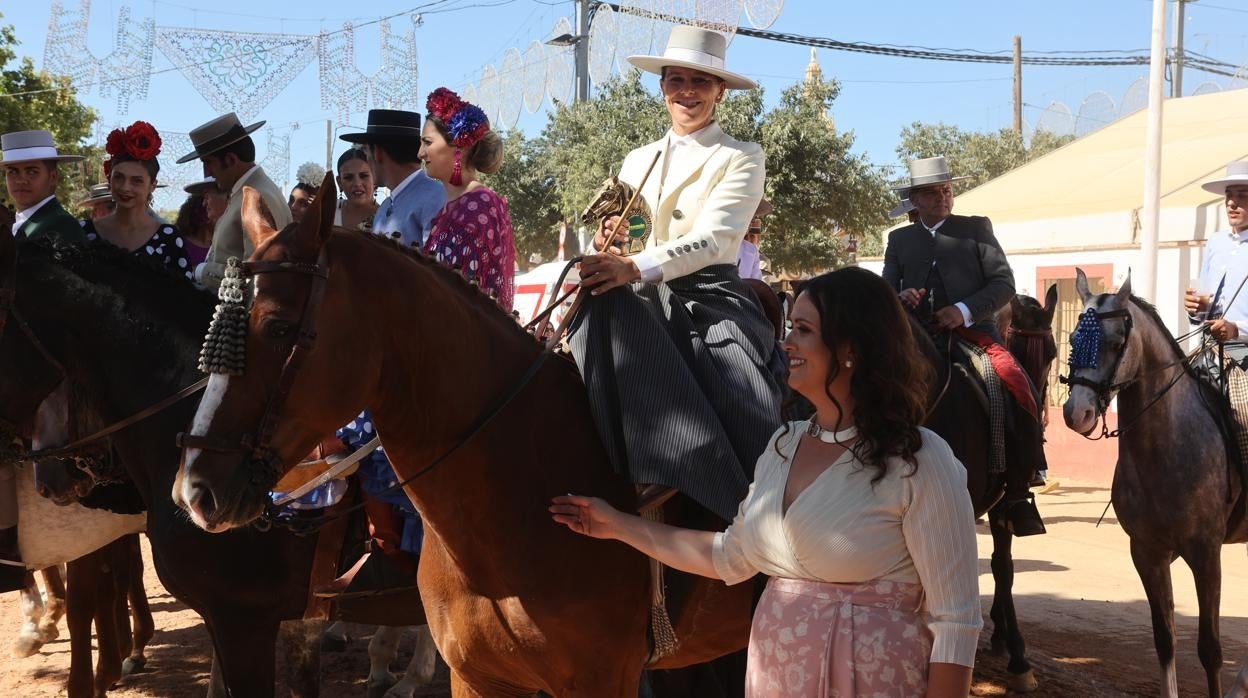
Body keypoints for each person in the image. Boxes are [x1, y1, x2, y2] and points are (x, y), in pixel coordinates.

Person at [552, 267, 982, 697]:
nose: (786, 343)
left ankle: (1017, 474)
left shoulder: (919, 460)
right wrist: (615, 525)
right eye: (790, 326)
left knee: (1003, 376)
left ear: (851, 348)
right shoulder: (784, 445)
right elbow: (730, 557)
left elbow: (956, 621)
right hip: (775, 681)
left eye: (804, 330)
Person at [570, 25, 786, 523]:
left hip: (708, 298)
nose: (686, 91)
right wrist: (606, 245)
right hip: (633, 291)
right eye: (676, 80)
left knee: (746, 400)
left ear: (719, 91)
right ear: (662, 87)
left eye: (700, 82)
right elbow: (621, 230)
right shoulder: (637, 158)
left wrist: (633, 265)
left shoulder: (742, 156)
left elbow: (714, 238)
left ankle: (760, 516)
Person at [883, 155, 1045, 536]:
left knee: (1015, 380)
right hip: (914, 334)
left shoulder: (976, 229)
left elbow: (1003, 282)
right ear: (915, 200)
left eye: (947, 190)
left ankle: (1020, 485)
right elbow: (884, 289)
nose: (943, 197)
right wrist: (900, 296)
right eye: (933, 192)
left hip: (972, 331)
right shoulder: (899, 239)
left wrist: (963, 309)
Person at [0, 129, 91, 591]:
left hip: (49, 364)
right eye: (13, 171)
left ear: (53, 176)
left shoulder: (58, 228)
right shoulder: (19, 226)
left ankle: (8, 553)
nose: (20, 180)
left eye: (31, 171)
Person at [420, 87, 515, 309]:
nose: (420, 153)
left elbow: (468, 295)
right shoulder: (454, 206)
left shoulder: (478, 204)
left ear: (458, 148)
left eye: (427, 142)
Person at [178, 112, 291, 291]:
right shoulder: (248, 191)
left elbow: (257, 274)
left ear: (231, 160)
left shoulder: (256, 195)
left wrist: (203, 271)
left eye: (208, 162)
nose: (207, 172)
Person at [82, 121, 193, 280]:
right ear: (109, 180)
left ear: (152, 186)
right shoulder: (84, 231)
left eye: (137, 181)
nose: (125, 187)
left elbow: (186, 297)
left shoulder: (168, 238)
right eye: (119, 178)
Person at [340, 109, 445, 248]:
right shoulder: (385, 207)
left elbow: (441, 267)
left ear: (377, 153)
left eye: (365, 151)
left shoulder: (436, 198)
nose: (366, 158)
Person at [1185, 161, 1248, 347]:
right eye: (1228, 196)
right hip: (1209, 350)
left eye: (1242, 196)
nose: (1231, 203)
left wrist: (1236, 328)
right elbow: (1201, 310)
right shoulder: (1216, 241)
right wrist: (1194, 308)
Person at [333, 148, 377, 232]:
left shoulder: (385, 217)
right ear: (339, 182)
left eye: (364, 176)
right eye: (348, 177)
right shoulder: (328, 211)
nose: (357, 183)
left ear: (375, 177)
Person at [736, 198, 772, 281]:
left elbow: (757, 284)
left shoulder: (752, 251)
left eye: (753, 217)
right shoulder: (715, 240)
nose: (752, 221)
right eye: (749, 215)